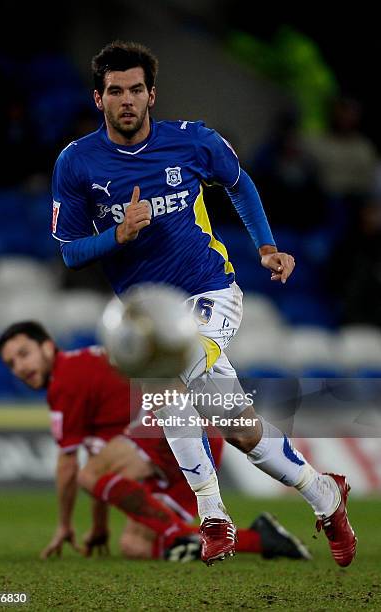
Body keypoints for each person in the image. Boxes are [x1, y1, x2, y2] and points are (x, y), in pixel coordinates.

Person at [51, 41, 356, 567]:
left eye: (136, 90)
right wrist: (117, 237)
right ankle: (324, 494)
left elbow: (239, 185)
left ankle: (213, 514)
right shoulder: (77, 163)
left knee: (168, 381)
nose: (127, 100)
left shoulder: (193, 142)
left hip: (209, 291)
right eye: (115, 91)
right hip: (146, 315)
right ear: (98, 98)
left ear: (152, 95)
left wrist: (265, 246)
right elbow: (71, 251)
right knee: (240, 429)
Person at [0, 321, 311, 562]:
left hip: (168, 429)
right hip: (186, 444)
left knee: (88, 474)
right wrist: (100, 525)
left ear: (48, 347)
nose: (20, 368)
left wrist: (65, 525)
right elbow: (105, 465)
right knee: (135, 544)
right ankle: (262, 539)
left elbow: (73, 467)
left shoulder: (66, 380)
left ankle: (176, 535)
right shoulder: (83, 372)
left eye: (24, 354)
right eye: (11, 364)